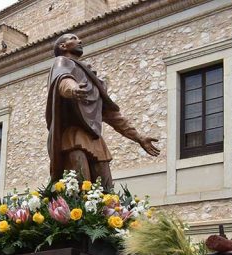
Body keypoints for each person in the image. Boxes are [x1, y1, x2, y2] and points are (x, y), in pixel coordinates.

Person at [46, 33, 160, 189]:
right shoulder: (62, 62)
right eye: (73, 38)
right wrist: (73, 89)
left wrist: (138, 137)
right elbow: (63, 80)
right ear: (63, 46)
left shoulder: (92, 81)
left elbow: (112, 116)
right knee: (80, 187)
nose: (80, 40)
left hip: (95, 140)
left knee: (106, 189)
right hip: (73, 137)